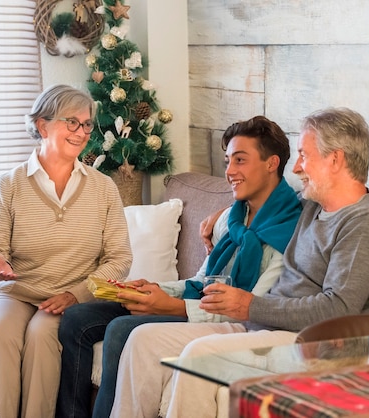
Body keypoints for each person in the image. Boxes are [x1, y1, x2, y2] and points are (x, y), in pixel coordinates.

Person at [110, 107, 369, 418]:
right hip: (267, 328)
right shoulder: (313, 207)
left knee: (199, 357)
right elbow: (268, 201)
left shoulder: (364, 224)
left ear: (335, 159)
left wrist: (250, 306)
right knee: (142, 340)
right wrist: (225, 215)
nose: (297, 168)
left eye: (305, 155)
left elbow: (339, 309)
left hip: (316, 345)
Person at [56, 116, 304, 418]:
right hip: (200, 302)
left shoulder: (291, 229)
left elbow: (255, 309)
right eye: (227, 161)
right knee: (77, 318)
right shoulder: (233, 216)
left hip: (235, 321)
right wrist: (154, 289)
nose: (229, 172)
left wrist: (173, 307)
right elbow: (202, 280)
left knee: (123, 329)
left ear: (271, 163)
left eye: (240, 160)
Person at [0, 84, 132, 418]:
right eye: (71, 122)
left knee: (43, 337)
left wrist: (77, 293)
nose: (82, 131)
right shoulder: (8, 184)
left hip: (68, 296)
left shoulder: (103, 188)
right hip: (14, 292)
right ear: (43, 126)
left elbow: (119, 258)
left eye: (87, 124)